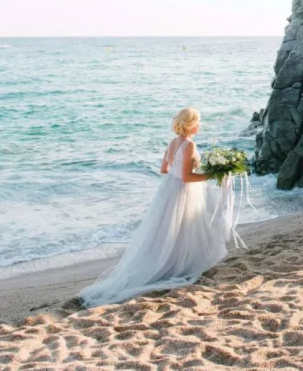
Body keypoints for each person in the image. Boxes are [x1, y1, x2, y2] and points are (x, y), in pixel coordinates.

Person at [79, 107, 230, 307]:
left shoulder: (173, 142)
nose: (200, 125)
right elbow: (187, 177)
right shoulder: (189, 145)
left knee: (167, 228)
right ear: (191, 124)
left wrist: (186, 169)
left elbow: (164, 169)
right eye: (199, 121)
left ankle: (169, 261)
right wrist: (213, 174)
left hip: (169, 188)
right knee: (184, 227)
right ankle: (179, 266)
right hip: (183, 190)